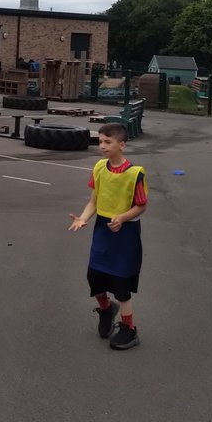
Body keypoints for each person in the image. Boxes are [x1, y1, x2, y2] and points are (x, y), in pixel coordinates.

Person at [67, 122, 148, 350]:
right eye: (101, 141)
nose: (102, 146)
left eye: (108, 142)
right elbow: (94, 200)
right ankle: (105, 310)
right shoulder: (100, 167)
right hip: (103, 228)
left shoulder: (135, 174)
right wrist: (83, 218)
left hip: (125, 232)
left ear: (121, 144)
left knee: (121, 282)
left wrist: (122, 218)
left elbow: (141, 206)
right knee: (95, 276)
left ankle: (129, 329)